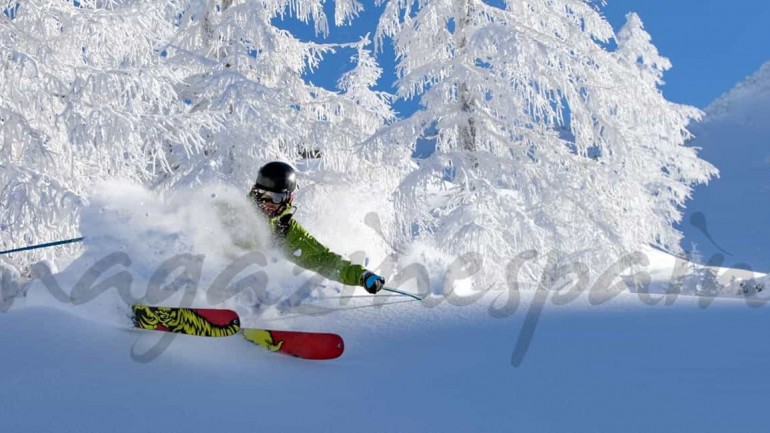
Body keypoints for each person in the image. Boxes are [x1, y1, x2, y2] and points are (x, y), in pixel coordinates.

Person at [248, 161, 385, 294]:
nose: (268, 202)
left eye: (276, 197)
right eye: (264, 195)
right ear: (256, 192)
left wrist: (361, 275)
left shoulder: (284, 229)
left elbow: (323, 258)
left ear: (288, 199)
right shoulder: (238, 213)